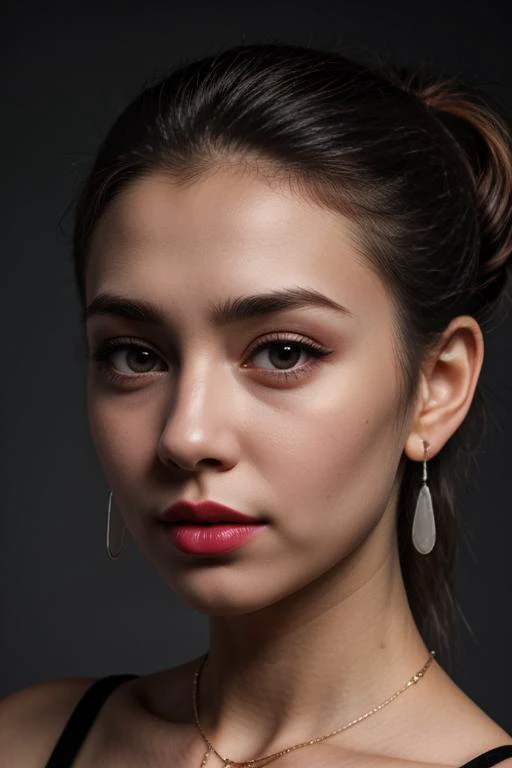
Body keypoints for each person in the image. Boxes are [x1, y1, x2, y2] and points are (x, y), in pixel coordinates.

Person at [1, 41, 512, 768]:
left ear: (436, 387)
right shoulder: (25, 741)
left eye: (283, 352)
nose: (187, 434)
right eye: (136, 356)